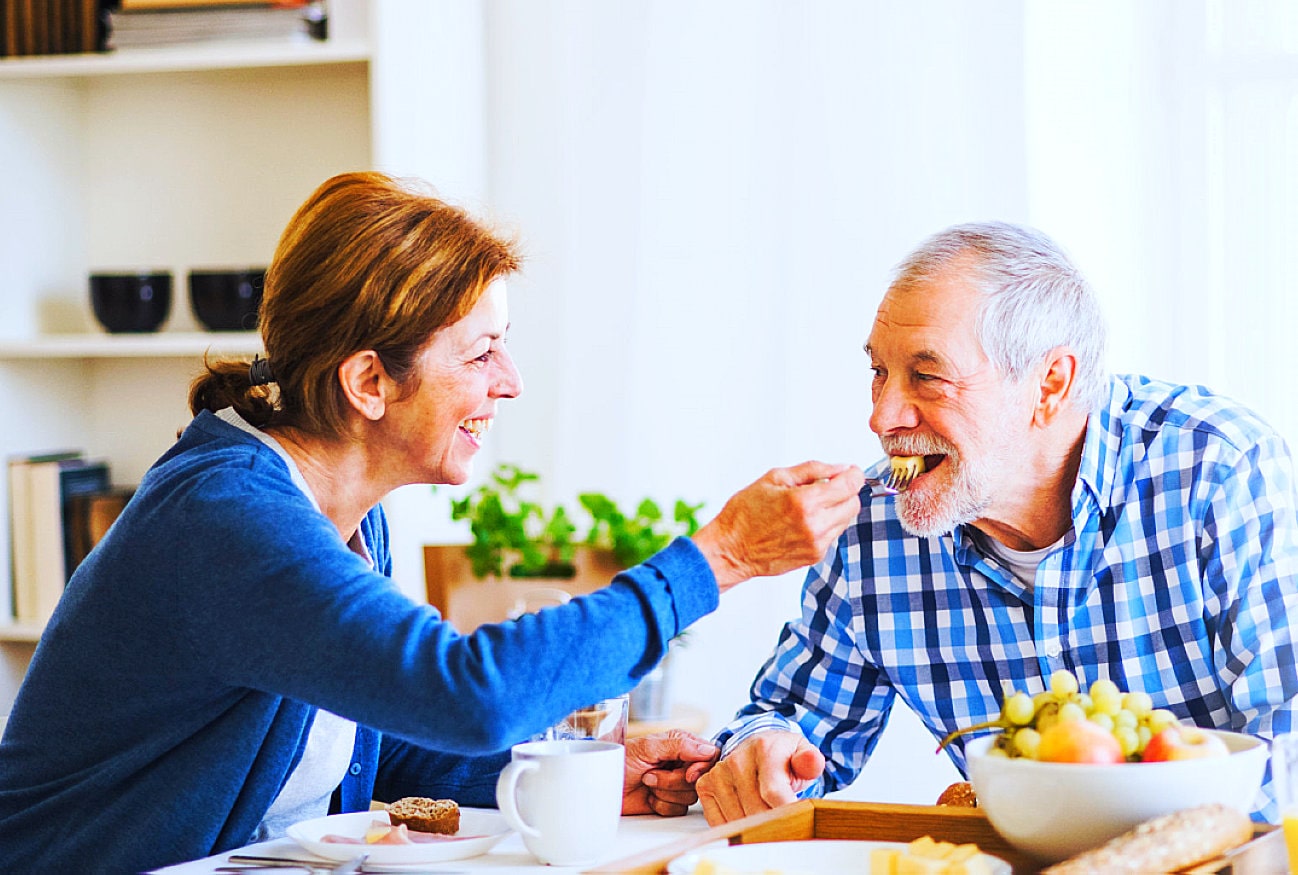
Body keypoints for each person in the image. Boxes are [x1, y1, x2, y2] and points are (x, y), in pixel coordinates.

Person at [0, 171, 865, 873]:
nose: (512, 381)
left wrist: (575, 774)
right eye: (481, 351)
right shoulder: (224, 516)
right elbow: (468, 690)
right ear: (369, 383)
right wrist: (722, 556)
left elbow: (388, 748)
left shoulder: (344, 512)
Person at [693, 221, 1298, 826]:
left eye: (926, 376)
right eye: (879, 372)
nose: (880, 417)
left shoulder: (1217, 469)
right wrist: (762, 753)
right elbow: (790, 723)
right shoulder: (874, 525)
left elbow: (1288, 758)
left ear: (1049, 384)